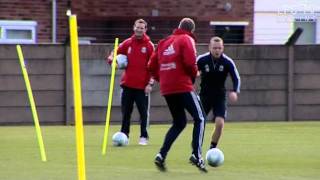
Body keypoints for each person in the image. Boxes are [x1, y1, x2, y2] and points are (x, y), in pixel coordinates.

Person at [148, 18, 207, 172]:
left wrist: (162, 79)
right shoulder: (186, 39)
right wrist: (195, 75)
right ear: (191, 31)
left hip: (167, 88)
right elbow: (190, 62)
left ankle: (161, 155)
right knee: (200, 118)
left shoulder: (163, 42)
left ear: (179, 27)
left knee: (179, 122)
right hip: (182, 85)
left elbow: (151, 65)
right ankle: (196, 154)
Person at [106, 19, 155, 145]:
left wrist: (150, 83)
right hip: (127, 85)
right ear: (134, 28)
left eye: (142, 28)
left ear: (145, 30)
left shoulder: (149, 46)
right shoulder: (128, 43)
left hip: (142, 87)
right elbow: (114, 53)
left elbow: (154, 66)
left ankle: (143, 136)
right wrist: (112, 61)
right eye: (137, 27)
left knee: (143, 113)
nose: (139, 30)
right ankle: (124, 135)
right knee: (126, 112)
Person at [196, 36, 241, 150]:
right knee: (199, 123)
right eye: (215, 48)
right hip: (204, 96)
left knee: (220, 123)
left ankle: (212, 148)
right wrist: (192, 78)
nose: (217, 50)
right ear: (209, 48)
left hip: (219, 97)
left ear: (223, 48)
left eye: (219, 48)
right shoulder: (201, 59)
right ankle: (196, 149)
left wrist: (235, 91)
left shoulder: (227, 61)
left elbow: (236, 78)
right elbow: (191, 71)